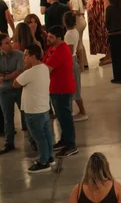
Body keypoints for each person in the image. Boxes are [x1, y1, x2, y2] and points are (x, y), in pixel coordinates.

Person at [15, 45, 54, 172]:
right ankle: (49, 157)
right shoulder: (44, 68)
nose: (24, 58)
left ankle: (43, 162)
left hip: (33, 111)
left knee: (39, 137)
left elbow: (15, 83)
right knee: (47, 135)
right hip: (43, 108)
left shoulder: (30, 72)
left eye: (26, 55)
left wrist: (25, 69)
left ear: (33, 56)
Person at [44, 25, 78, 157]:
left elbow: (46, 68)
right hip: (55, 88)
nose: (48, 39)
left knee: (65, 117)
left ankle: (71, 145)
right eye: (48, 36)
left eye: (51, 37)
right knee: (61, 117)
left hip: (62, 88)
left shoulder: (61, 50)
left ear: (59, 38)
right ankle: (65, 140)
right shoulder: (52, 48)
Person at [0, 34, 24, 155]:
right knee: (8, 118)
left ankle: (33, 140)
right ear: (0, 46)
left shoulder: (19, 54)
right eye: (7, 43)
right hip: (4, 92)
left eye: (9, 41)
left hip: (19, 89)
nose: (10, 44)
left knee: (26, 115)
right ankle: (9, 143)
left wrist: (4, 77)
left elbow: (19, 71)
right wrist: (8, 76)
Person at [61, 14, 88, 121]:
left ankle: (83, 112)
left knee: (75, 89)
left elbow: (69, 51)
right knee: (73, 88)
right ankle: (73, 110)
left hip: (71, 61)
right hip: (74, 60)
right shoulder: (75, 31)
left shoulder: (69, 34)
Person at [87, 0, 111, 65]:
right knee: (98, 37)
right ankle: (106, 53)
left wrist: (105, 16)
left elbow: (106, 3)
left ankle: (109, 55)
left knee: (104, 36)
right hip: (94, 20)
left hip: (101, 18)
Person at [66, 0, 88, 67]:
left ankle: (82, 63)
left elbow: (75, 11)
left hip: (78, 20)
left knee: (78, 43)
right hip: (80, 19)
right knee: (79, 42)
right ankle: (84, 62)